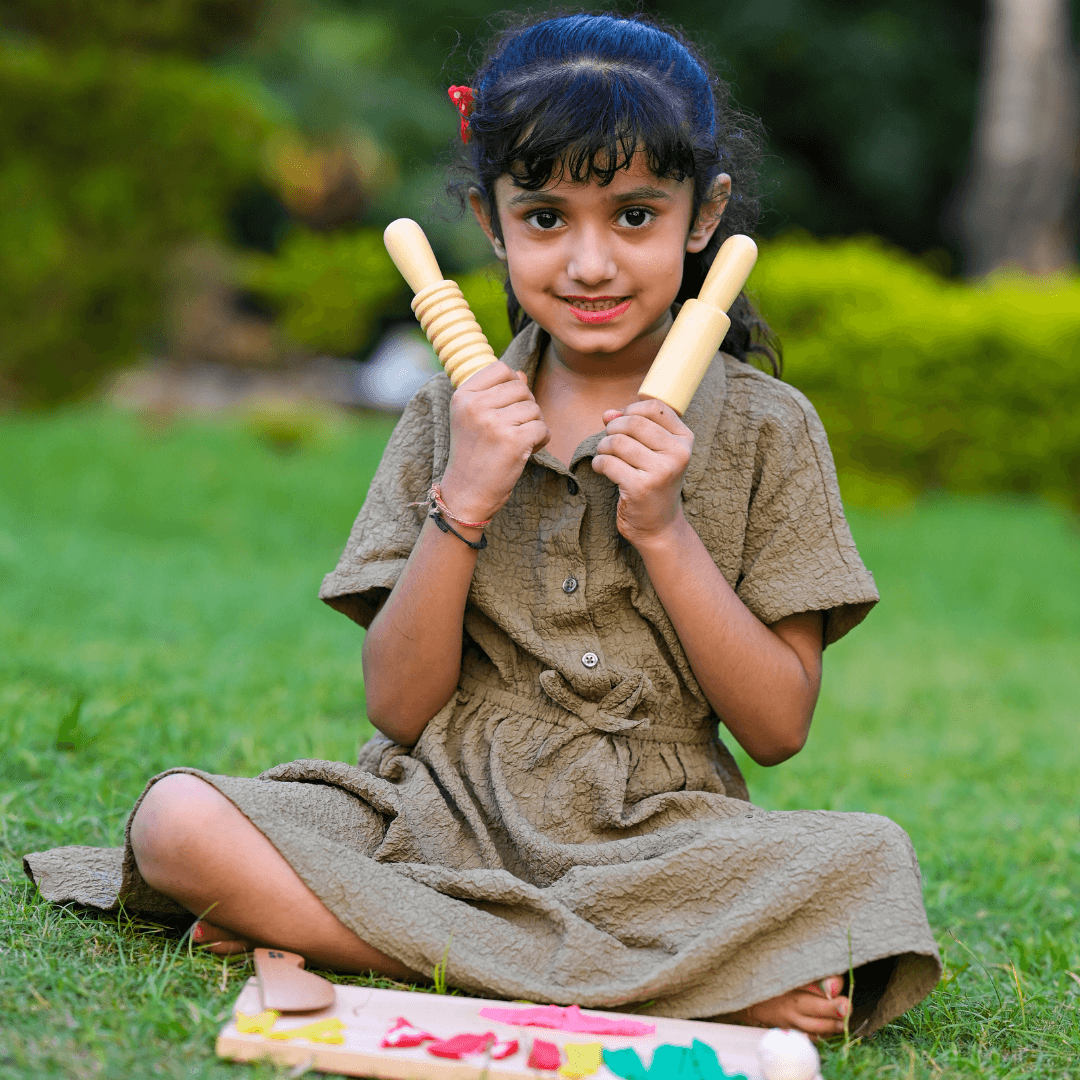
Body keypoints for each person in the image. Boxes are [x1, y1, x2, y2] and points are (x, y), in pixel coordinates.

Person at [24, 12, 940, 1038]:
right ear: (490, 221)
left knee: (871, 862)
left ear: (703, 215)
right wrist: (462, 500)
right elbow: (399, 710)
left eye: (635, 215)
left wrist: (665, 532)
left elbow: (777, 731)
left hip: (660, 842)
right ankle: (652, 983)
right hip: (437, 812)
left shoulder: (774, 430)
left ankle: (395, 943)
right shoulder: (443, 417)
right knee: (176, 822)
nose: (590, 263)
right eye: (547, 218)